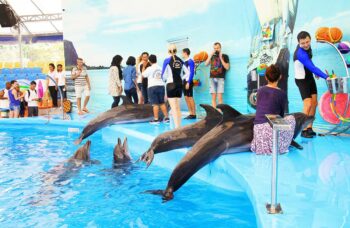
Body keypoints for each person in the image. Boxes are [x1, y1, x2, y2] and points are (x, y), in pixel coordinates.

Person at [251, 64, 295, 154]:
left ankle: (262, 147)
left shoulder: (260, 90)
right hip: (271, 132)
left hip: (259, 134)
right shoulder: (282, 94)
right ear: (280, 77)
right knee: (292, 119)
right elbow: (281, 116)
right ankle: (282, 147)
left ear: (266, 78)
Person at [294, 31, 329, 138]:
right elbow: (312, 66)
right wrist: (326, 77)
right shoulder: (300, 53)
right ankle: (303, 130)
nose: (305, 44)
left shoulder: (308, 48)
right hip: (302, 80)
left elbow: (310, 63)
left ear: (310, 39)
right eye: (302, 43)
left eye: (307, 42)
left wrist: (314, 73)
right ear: (298, 42)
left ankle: (309, 127)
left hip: (309, 77)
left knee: (314, 103)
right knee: (308, 104)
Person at [162, 44, 189, 128]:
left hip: (170, 85)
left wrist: (166, 79)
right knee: (177, 108)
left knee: (173, 108)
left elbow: (163, 75)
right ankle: (178, 127)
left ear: (168, 51)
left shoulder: (167, 60)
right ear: (176, 51)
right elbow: (188, 72)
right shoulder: (181, 60)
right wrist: (181, 78)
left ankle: (176, 128)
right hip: (179, 85)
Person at [142, 54, 169, 124]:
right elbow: (165, 77)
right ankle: (166, 118)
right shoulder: (160, 68)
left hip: (152, 87)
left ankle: (156, 120)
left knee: (155, 104)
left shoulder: (149, 68)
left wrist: (144, 66)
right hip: (161, 86)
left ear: (149, 61)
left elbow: (143, 75)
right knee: (162, 103)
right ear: (156, 60)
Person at [205, 42, 230, 108]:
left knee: (220, 97)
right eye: (214, 48)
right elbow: (206, 64)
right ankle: (214, 113)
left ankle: (220, 113)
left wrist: (221, 58)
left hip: (220, 78)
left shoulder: (225, 56)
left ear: (220, 48)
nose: (216, 50)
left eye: (217, 48)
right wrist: (210, 55)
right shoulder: (212, 56)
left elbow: (227, 67)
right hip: (212, 78)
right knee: (213, 97)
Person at [182, 48, 196, 119]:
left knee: (190, 97)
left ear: (185, 53)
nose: (182, 54)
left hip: (188, 81)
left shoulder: (190, 61)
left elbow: (192, 72)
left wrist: (188, 82)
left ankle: (194, 114)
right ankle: (190, 113)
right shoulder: (185, 61)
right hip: (184, 81)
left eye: (182, 53)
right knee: (186, 97)